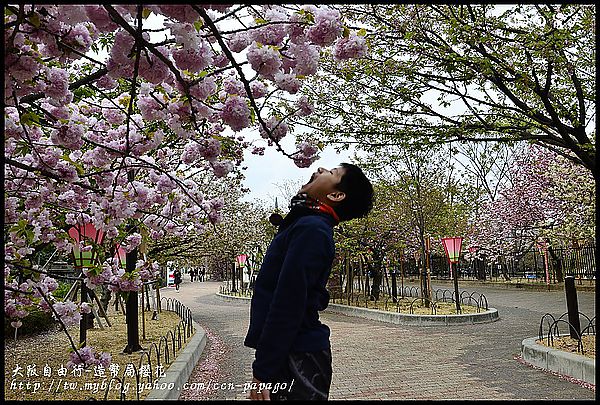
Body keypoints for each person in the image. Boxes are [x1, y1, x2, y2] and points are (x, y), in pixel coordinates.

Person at [244, 163, 374, 401]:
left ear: (336, 195)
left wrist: (264, 369)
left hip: (299, 359)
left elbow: (288, 302)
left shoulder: (312, 229)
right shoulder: (305, 224)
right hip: (294, 353)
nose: (320, 168)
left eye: (332, 172)